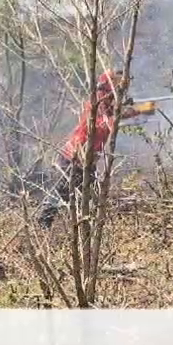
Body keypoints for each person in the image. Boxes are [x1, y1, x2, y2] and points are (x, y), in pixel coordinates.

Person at [35, 70, 155, 228]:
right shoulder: (96, 105)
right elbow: (108, 123)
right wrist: (138, 111)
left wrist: (140, 110)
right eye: (119, 88)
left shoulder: (107, 105)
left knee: (89, 197)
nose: (121, 93)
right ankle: (43, 224)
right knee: (62, 193)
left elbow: (116, 115)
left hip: (88, 160)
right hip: (74, 157)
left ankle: (83, 230)